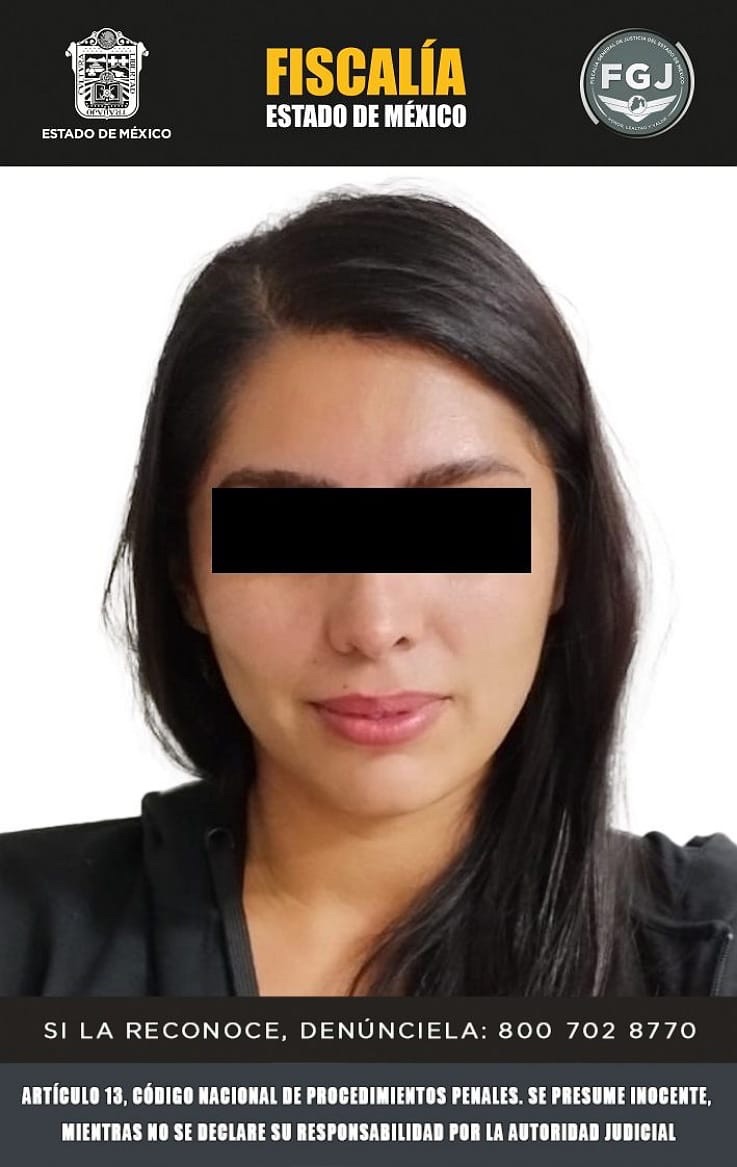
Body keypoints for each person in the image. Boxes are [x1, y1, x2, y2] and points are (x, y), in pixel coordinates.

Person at [1, 190, 736, 997]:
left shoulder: (704, 956)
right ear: (185, 574)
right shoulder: (23, 943)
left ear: (567, 554)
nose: (373, 623)